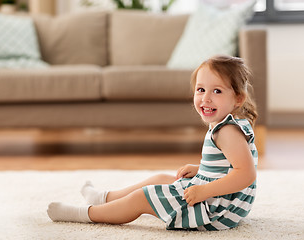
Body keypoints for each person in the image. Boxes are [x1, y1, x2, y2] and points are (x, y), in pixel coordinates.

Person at [47, 55, 258, 231]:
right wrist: (200, 170)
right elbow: (227, 165)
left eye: (217, 91)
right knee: (160, 178)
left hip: (215, 211)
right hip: (221, 202)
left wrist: (202, 191)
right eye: (201, 90)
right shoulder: (227, 124)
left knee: (144, 197)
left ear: (238, 98)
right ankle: (103, 197)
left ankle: (84, 214)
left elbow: (245, 174)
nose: (206, 98)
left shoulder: (227, 130)